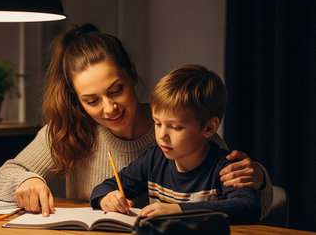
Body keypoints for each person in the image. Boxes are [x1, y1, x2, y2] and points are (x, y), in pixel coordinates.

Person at [0, 24, 272, 218]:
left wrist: (258, 177)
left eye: (116, 90)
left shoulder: (179, 123)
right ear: (77, 100)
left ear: (133, 75)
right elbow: (4, 176)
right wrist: (27, 180)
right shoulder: (70, 130)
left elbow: (255, 202)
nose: (109, 108)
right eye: (91, 100)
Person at [90, 64, 260, 224]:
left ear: (209, 127)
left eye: (175, 127)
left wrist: (179, 210)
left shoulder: (225, 167)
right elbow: (105, 187)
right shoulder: (153, 160)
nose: (162, 135)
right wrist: (106, 197)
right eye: (157, 123)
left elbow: (247, 207)